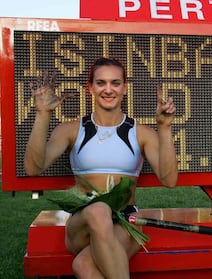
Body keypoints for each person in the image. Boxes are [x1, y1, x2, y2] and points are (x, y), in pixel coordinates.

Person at [24, 56, 178, 279]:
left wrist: (164, 128)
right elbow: (33, 168)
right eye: (101, 83)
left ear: (124, 88)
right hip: (83, 224)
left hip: (126, 221)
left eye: (115, 83)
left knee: (84, 266)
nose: (108, 89)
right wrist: (42, 115)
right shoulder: (71, 130)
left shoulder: (142, 132)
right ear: (90, 88)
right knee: (98, 210)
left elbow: (169, 180)